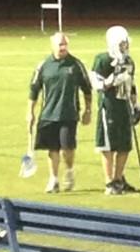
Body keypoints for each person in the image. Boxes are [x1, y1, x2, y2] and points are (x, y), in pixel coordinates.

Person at [27, 32, 92, 193]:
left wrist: (88, 110)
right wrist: (30, 112)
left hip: (68, 114)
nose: (63, 47)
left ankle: (69, 171)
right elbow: (34, 90)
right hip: (48, 114)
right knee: (52, 148)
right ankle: (53, 179)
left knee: (67, 148)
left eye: (65, 44)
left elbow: (87, 88)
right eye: (60, 44)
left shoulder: (75, 65)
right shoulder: (43, 65)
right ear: (52, 46)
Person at [91, 25, 139, 196]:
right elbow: (96, 84)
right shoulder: (103, 60)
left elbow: (132, 85)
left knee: (124, 144)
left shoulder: (129, 61)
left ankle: (119, 179)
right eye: (122, 43)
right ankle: (109, 181)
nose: (125, 46)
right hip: (109, 107)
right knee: (108, 145)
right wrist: (111, 80)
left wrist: (135, 105)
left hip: (124, 106)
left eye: (126, 43)